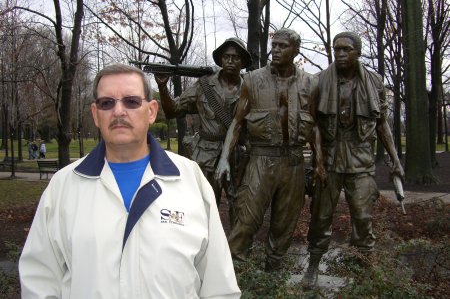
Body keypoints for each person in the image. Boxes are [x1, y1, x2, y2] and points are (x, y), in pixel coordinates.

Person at [19, 63, 241, 298]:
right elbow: (40, 281)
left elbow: (219, 286)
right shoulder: (64, 186)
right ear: (96, 114)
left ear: (152, 111)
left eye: (131, 101)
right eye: (107, 103)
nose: (118, 111)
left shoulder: (190, 180)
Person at [215, 28, 326, 271]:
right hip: (260, 160)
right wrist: (224, 158)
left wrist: (319, 163)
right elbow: (237, 122)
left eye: (282, 46)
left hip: (294, 162)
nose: (275, 50)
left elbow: (315, 126)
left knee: (284, 225)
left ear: (295, 50)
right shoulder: (253, 80)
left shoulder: (310, 83)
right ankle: (233, 278)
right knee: (246, 220)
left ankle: (272, 278)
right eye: (274, 45)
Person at [301, 31, 405, 288]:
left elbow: (382, 124)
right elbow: (312, 124)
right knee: (321, 216)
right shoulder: (319, 82)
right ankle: (312, 266)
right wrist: (319, 161)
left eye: (346, 49)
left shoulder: (375, 82)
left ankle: (363, 270)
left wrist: (396, 160)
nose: (341, 54)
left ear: (358, 52)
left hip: (360, 159)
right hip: (330, 157)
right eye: (337, 49)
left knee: (362, 215)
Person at [155, 37, 252, 229]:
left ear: (242, 62)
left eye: (235, 57)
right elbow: (172, 110)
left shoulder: (250, 88)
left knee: (239, 203)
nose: (230, 61)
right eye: (226, 57)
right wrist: (162, 87)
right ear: (220, 60)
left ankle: (236, 252)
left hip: (237, 155)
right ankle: (204, 246)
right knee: (203, 205)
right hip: (205, 154)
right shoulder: (203, 85)